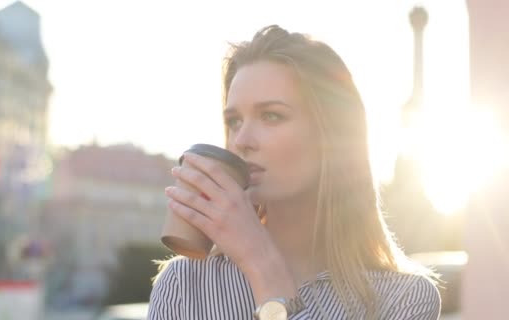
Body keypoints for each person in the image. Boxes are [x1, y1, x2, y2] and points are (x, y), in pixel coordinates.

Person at [148, 25, 441, 320]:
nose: (242, 140)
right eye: (234, 121)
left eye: (271, 116)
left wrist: (265, 271)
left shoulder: (404, 298)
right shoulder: (185, 284)